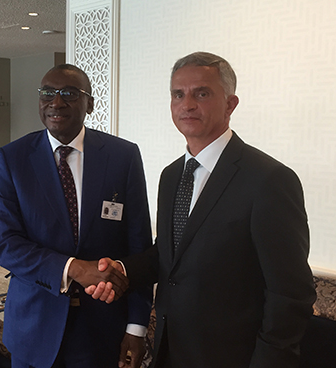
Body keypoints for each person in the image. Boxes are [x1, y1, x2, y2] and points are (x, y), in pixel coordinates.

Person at [87, 52, 316, 368]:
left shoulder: (269, 180)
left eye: (202, 93)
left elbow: (290, 295)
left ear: (230, 104)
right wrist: (122, 270)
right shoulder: (171, 175)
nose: (187, 104)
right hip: (170, 349)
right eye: (178, 94)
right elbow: (170, 257)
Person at [0, 64, 153, 368]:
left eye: (69, 93)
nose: (56, 102)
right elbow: (5, 244)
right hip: (34, 322)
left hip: (103, 325)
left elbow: (139, 246)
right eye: (47, 93)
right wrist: (75, 268)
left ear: (89, 103)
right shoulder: (13, 159)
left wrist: (136, 325)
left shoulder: (123, 156)